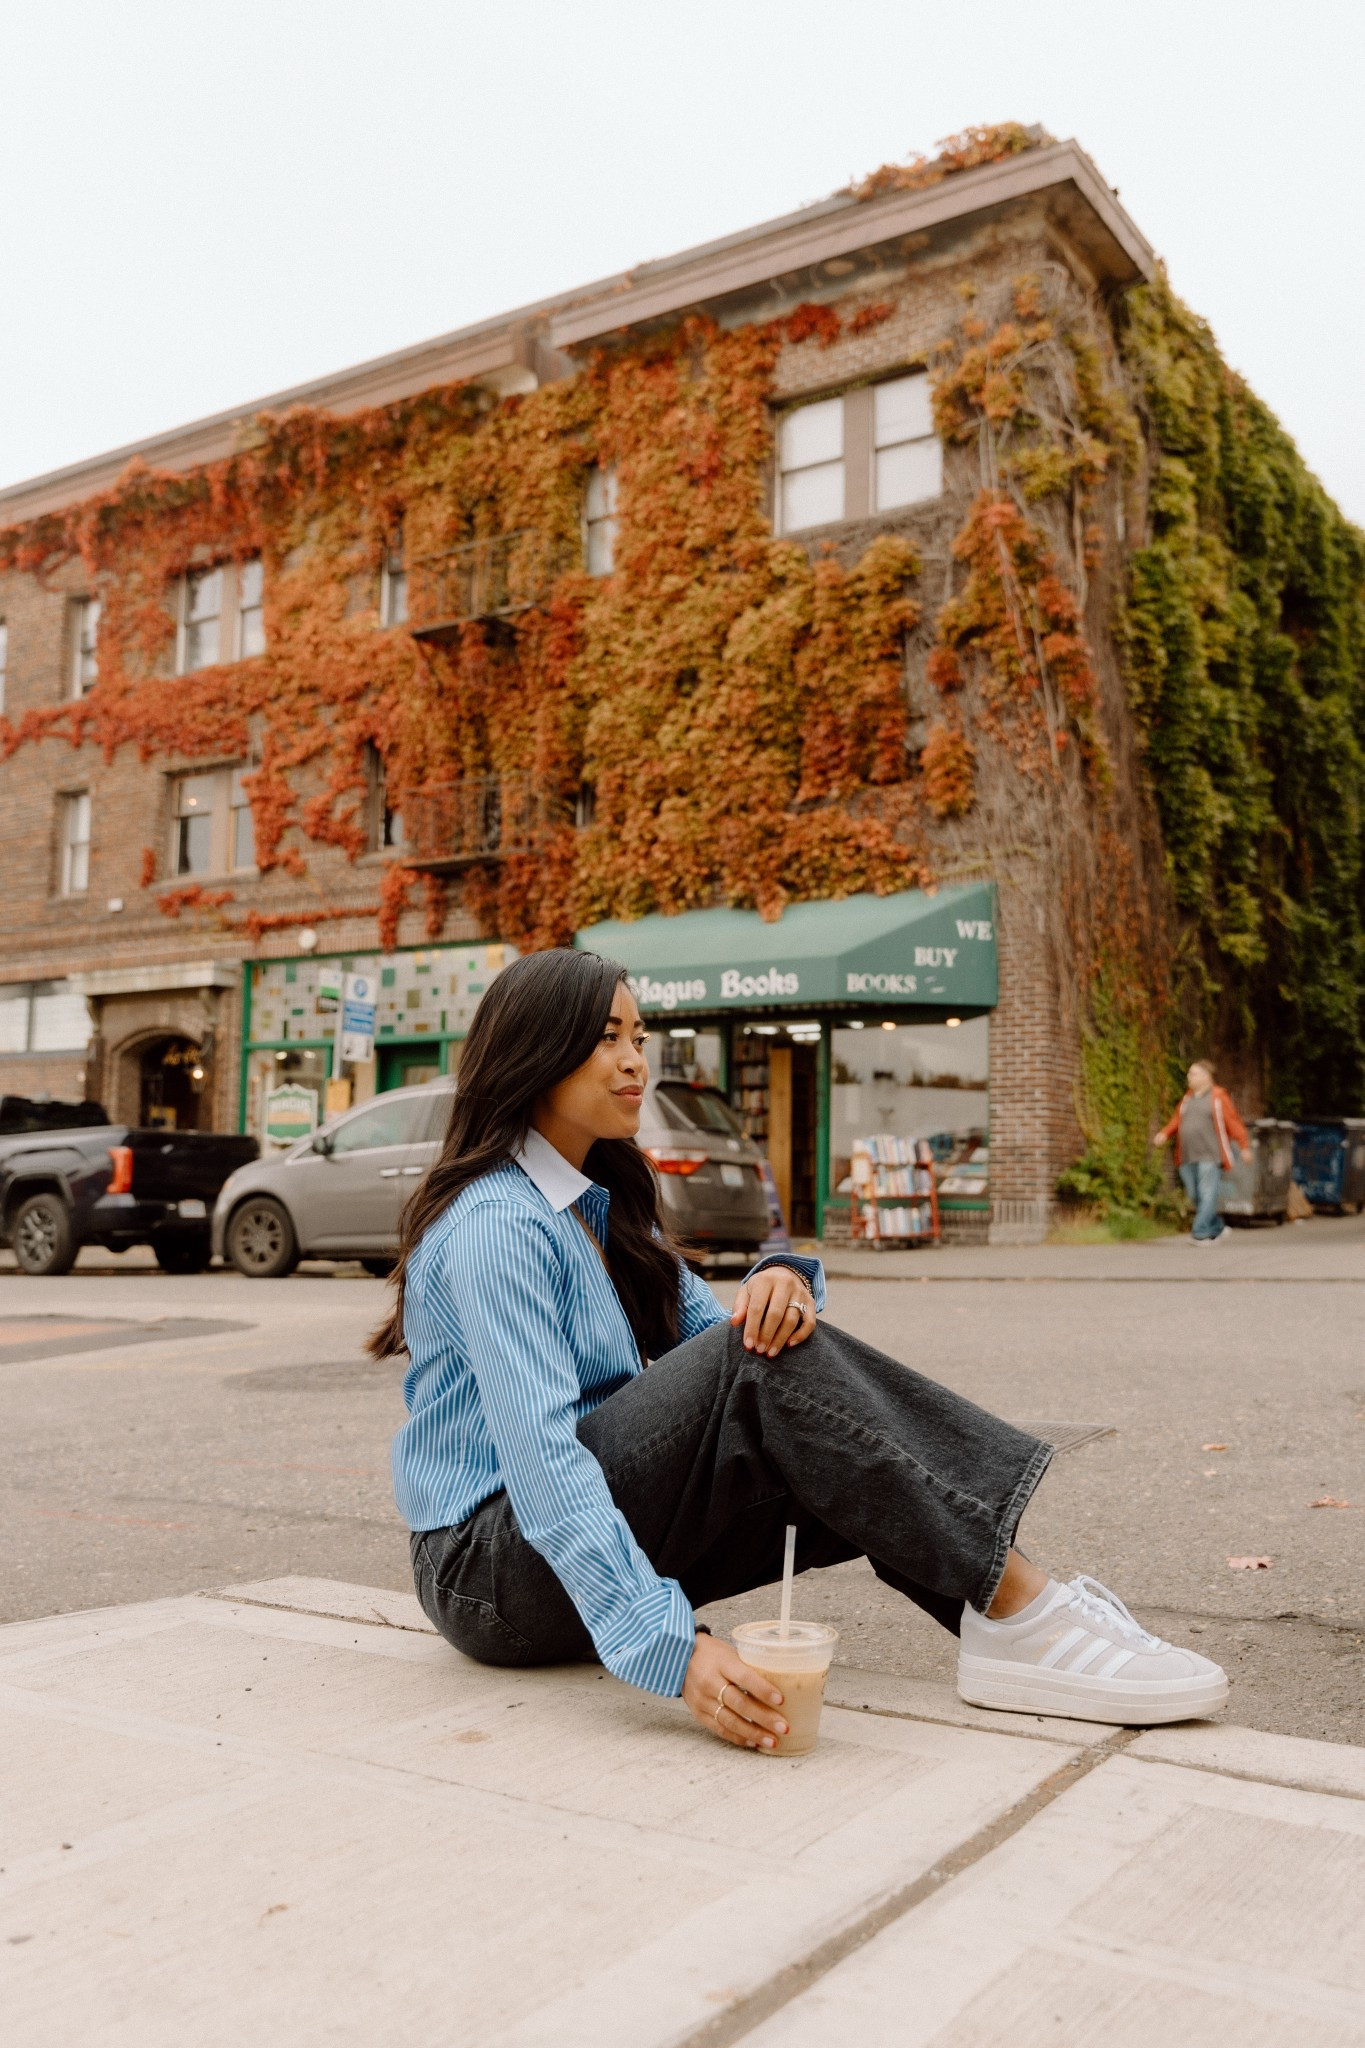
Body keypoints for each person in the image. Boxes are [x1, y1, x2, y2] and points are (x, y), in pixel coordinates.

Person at [375, 950, 1226, 1747]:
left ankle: (1006, 1620)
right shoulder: (497, 1226)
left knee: (790, 1398)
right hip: (487, 1574)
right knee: (759, 1374)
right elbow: (544, 1464)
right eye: (605, 1040)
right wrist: (668, 1647)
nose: (636, 1060)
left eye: (639, 1037)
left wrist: (781, 1277)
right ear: (535, 1052)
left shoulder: (599, 1204)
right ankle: (1027, 1618)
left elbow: (737, 1358)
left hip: (553, 1551)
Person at [1154, 1060, 1251, 1244]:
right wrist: (1165, 1133)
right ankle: (1216, 1227)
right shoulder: (1187, 1099)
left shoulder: (1218, 1097)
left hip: (1210, 1155)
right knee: (1195, 1195)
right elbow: (1176, 1120)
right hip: (1187, 1155)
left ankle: (1200, 1233)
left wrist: (1244, 1146)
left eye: (1193, 1074)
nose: (1189, 1077)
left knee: (1207, 1194)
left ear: (1206, 1077)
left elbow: (1233, 1122)